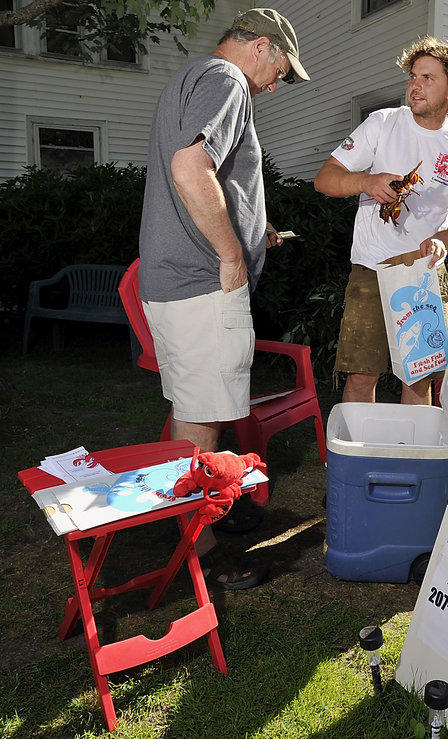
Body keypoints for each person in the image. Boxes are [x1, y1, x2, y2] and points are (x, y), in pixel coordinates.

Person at [138, 8, 309, 589]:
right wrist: (231, 254)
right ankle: (201, 553)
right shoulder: (230, 81)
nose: (277, 83)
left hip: (176, 279)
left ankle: (190, 510)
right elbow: (191, 170)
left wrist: (254, 230)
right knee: (205, 419)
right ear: (261, 46)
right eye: (282, 70)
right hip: (200, 282)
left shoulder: (192, 76)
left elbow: (200, 176)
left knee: (192, 404)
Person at [314, 36, 448, 405]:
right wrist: (366, 181)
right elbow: (324, 179)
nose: (415, 85)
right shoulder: (381, 124)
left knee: (419, 379)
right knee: (362, 375)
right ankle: (359, 459)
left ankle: (412, 459)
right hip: (371, 269)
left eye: (428, 78)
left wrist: (445, 239)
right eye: (413, 76)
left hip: (423, 274)